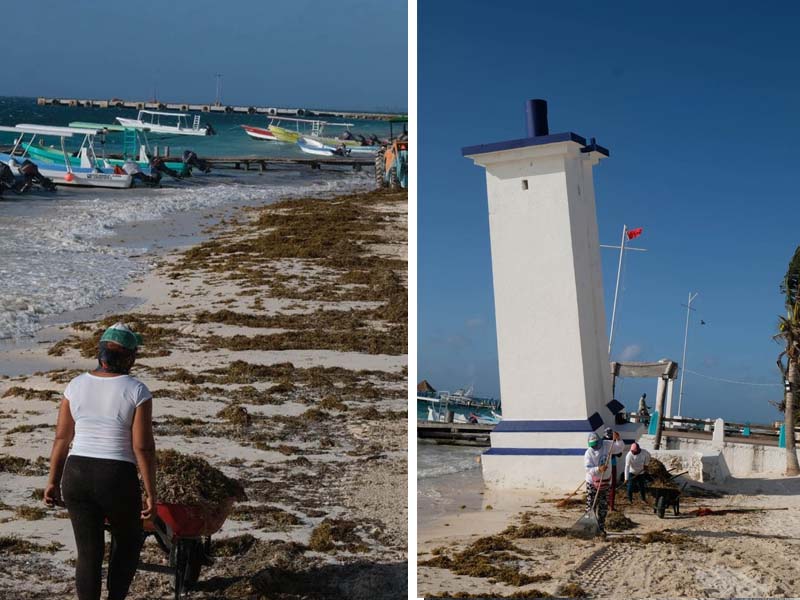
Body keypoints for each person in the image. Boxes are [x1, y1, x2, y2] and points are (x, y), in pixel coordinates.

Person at [44, 323, 156, 600]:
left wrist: (52, 481)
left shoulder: (75, 385)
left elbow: (61, 439)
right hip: (115, 476)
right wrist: (151, 493)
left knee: (88, 554)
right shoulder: (137, 390)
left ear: (101, 354)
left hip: (76, 474)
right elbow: (142, 447)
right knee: (128, 543)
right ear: (129, 357)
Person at [584, 430, 624, 535]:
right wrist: (598, 469)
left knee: (603, 507)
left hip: (606, 482)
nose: (595, 446)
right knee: (590, 506)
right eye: (592, 445)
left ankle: (601, 528)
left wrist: (618, 438)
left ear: (600, 441)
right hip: (592, 483)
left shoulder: (607, 445)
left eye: (596, 444)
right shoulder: (589, 452)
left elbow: (620, 448)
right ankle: (588, 528)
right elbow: (588, 468)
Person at [603, 427, 624, 511]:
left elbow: (619, 453)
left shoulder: (604, 443)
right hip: (609, 466)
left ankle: (608, 505)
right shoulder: (610, 443)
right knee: (611, 486)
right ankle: (610, 506)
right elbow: (619, 454)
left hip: (604, 466)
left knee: (605, 486)